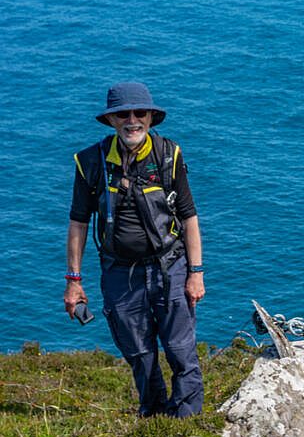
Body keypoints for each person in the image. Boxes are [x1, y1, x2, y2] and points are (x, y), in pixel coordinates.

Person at [63, 82, 206, 418]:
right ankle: (155, 418)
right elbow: (78, 222)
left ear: (150, 118)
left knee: (180, 349)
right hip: (119, 273)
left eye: (139, 113)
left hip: (170, 266)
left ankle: (187, 423)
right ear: (111, 120)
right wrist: (73, 280)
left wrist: (196, 274)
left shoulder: (169, 155)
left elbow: (189, 217)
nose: (132, 120)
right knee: (138, 352)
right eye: (123, 114)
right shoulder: (90, 162)